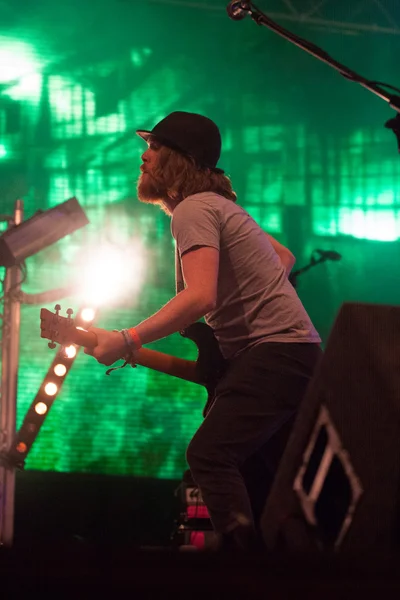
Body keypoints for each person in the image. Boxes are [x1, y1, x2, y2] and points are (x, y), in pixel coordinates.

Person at [85, 111, 322, 552]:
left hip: (275, 354)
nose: (144, 156)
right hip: (293, 355)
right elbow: (285, 258)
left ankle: (239, 572)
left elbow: (200, 298)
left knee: (209, 456)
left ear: (178, 158)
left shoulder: (193, 210)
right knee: (271, 480)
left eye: (154, 148)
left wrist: (129, 338)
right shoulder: (222, 207)